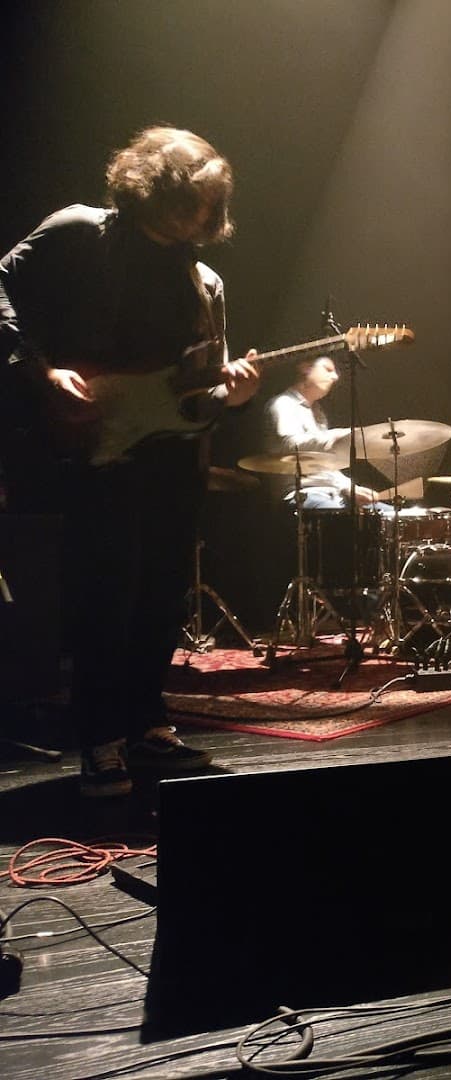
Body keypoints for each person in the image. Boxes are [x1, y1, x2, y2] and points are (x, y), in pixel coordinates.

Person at [0, 126, 260, 797]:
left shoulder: (204, 281)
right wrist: (40, 371)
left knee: (160, 595)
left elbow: (198, 389)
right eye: (191, 200)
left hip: (175, 454)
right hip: (95, 442)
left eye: (210, 205)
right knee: (104, 593)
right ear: (151, 188)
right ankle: (99, 739)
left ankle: (146, 725)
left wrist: (233, 395)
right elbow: (2, 286)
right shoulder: (78, 232)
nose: (200, 215)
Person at [264, 353, 379, 509]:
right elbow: (289, 446)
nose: (335, 377)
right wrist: (339, 437)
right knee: (346, 519)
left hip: (331, 494)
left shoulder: (318, 413)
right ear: (305, 368)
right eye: (328, 369)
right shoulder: (283, 404)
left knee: (387, 513)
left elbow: (324, 465)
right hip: (301, 494)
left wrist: (348, 486)